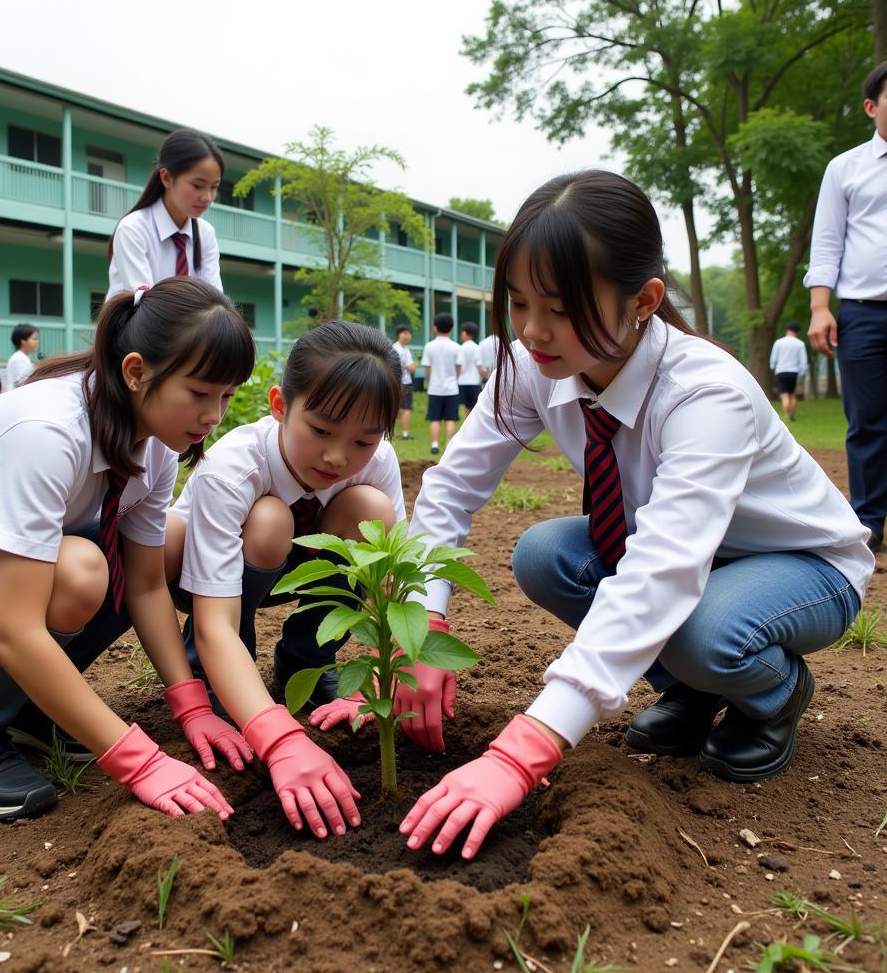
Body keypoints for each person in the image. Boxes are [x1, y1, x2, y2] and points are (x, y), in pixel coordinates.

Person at [318, 171, 873, 861]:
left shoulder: (706, 394)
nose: (531, 329)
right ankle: (693, 697)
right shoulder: (533, 366)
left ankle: (774, 693)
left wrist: (523, 751)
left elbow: (661, 574)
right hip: (691, 563)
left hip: (802, 567)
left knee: (702, 629)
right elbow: (451, 489)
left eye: (560, 307)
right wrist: (421, 628)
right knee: (545, 554)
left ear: (643, 301)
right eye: (519, 302)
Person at [0, 277, 257, 822]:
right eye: (199, 393)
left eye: (227, 396)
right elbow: (16, 630)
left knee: (168, 542)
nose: (214, 415)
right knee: (77, 570)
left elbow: (143, 583)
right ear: (137, 372)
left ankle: (25, 707)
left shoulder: (159, 442)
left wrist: (190, 705)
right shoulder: (47, 431)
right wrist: (140, 763)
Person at [162, 322, 403, 838]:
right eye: (319, 430)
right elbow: (213, 621)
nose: (338, 457)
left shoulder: (376, 463)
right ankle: (218, 673)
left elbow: (391, 580)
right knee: (270, 519)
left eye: (363, 439)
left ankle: (307, 660)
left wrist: (383, 677)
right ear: (279, 405)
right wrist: (272, 732)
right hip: (204, 580)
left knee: (372, 511)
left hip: (296, 567)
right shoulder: (234, 465)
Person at [806, 61, 887, 554]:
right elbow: (828, 242)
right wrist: (821, 307)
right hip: (864, 311)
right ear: (871, 106)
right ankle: (870, 519)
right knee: (868, 419)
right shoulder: (846, 168)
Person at [107, 129, 224, 301]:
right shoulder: (133, 229)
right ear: (167, 178)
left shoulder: (206, 234)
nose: (207, 197)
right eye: (198, 185)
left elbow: (215, 302)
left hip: (191, 327)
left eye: (214, 187)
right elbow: (145, 306)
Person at [422, 313, 462, 455]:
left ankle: (434, 445)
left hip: (435, 388)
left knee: (435, 418)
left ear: (435, 328)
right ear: (451, 328)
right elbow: (458, 369)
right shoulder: (456, 347)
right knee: (451, 418)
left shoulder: (429, 346)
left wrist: (428, 381)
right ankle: (448, 446)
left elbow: (427, 368)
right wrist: (454, 379)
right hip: (452, 388)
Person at [768, 320, 809, 422]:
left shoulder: (779, 342)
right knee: (792, 394)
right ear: (797, 331)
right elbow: (803, 360)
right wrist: (802, 372)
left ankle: (787, 415)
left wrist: (773, 367)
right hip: (794, 372)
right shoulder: (800, 344)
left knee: (784, 395)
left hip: (781, 371)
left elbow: (773, 358)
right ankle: (792, 414)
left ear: (787, 330)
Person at [391, 324, 417, 439]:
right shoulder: (401, 350)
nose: (407, 336)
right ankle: (405, 434)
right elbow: (410, 368)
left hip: (394, 382)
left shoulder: (395, 348)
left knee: (395, 407)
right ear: (399, 334)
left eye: (409, 333)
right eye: (404, 333)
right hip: (404, 382)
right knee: (406, 408)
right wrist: (415, 364)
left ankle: (389, 432)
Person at [457, 321, 488, 417]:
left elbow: (459, 365)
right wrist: (485, 376)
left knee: (465, 406)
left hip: (461, 381)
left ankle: (465, 424)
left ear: (465, 333)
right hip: (474, 382)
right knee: (474, 407)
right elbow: (479, 366)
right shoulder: (476, 347)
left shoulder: (460, 348)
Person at [6, 323, 39, 390]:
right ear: (23, 341)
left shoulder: (23, 357)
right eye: (34, 339)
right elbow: (21, 383)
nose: (37, 341)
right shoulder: (19, 359)